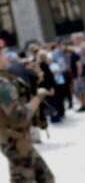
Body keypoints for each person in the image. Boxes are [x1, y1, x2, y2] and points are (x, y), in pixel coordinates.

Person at [0, 45, 54, 183]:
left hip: (18, 139)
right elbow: (20, 116)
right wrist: (38, 98)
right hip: (15, 142)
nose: (7, 57)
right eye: (4, 54)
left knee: (46, 177)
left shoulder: (6, 78)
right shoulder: (2, 84)